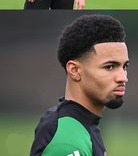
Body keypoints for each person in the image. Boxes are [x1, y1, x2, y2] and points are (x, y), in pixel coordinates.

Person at [30, 14, 129, 156]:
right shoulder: (68, 143)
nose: (123, 77)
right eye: (109, 67)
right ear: (74, 70)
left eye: (124, 66)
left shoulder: (82, 124)